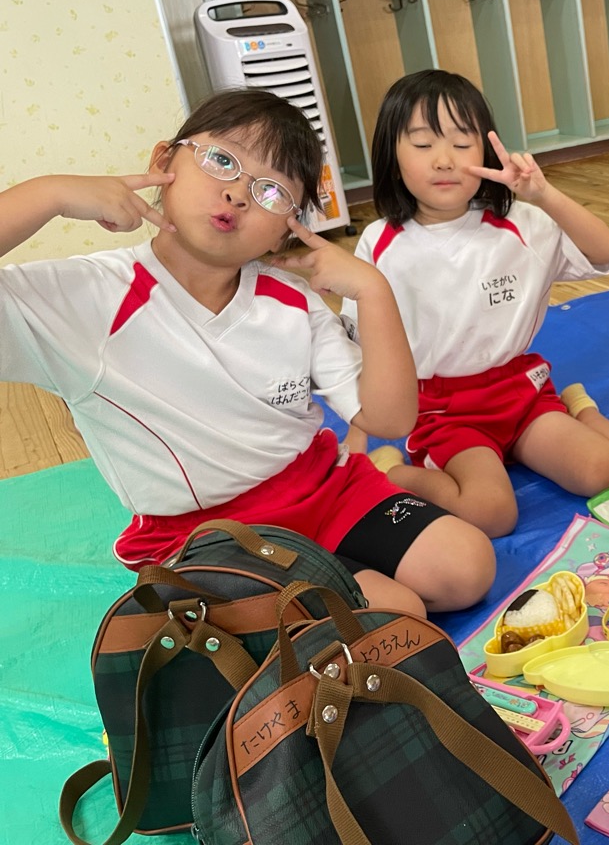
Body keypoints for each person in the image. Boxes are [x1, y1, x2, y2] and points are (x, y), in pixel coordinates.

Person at [0, 89, 495, 617]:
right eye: (221, 160)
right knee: (393, 613)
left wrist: (374, 290)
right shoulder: (90, 298)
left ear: (287, 227)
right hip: (210, 536)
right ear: (163, 163)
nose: (238, 194)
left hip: (325, 488)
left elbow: (390, 419)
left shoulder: (291, 300)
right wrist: (50, 193)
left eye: (271, 191)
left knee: (467, 565)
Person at [342, 69, 609, 537]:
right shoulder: (380, 243)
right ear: (392, 159)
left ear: (485, 150)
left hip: (520, 390)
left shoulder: (521, 222)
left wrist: (544, 194)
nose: (444, 161)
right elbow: (358, 345)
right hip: (444, 410)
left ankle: (578, 405)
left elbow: (604, 254)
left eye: (462, 143)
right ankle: (391, 468)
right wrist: (358, 434)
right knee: (491, 514)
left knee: (607, 469)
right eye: (423, 144)